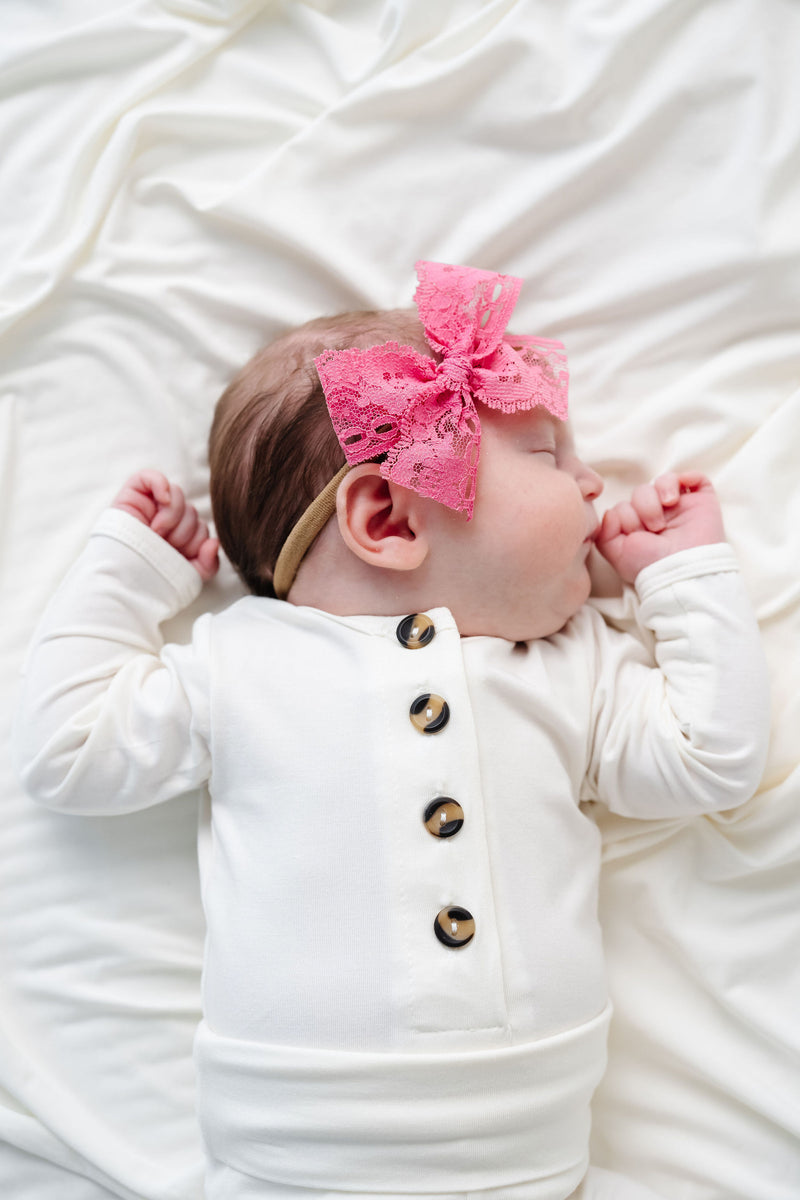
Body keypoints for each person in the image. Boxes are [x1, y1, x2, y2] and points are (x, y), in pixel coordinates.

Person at [15, 262, 770, 1200]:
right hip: (288, 1145)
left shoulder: (573, 664)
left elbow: (713, 760)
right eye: (546, 456)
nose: (591, 485)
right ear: (387, 516)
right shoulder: (245, 663)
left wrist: (684, 580)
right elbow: (68, 751)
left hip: (528, 1147)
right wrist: (129, 577)